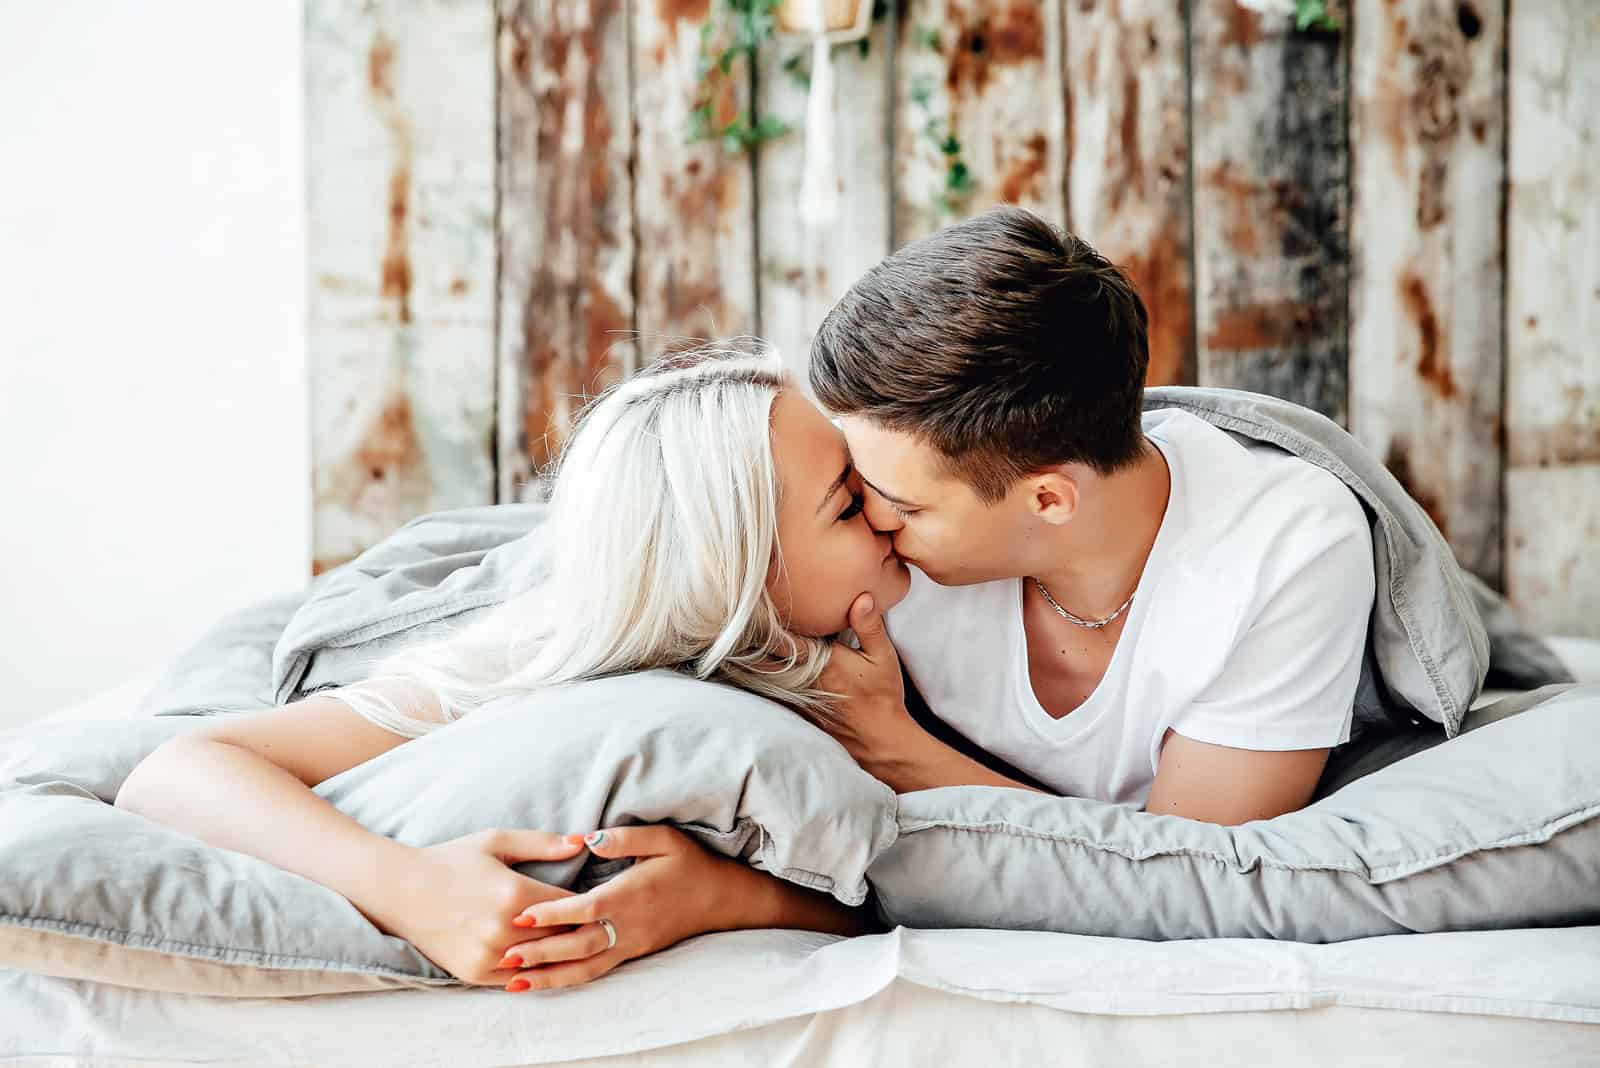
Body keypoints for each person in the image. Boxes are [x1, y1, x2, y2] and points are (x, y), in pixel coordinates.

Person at [115, 343, 911, 995]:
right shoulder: (527, 666)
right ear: (737, 575)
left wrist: (723, 897)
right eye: (847, 504)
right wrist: (412, 890)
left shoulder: (899, 610)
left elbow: (923, 886)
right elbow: (174, 773)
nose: (887, 511)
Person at [804, 206, 1377, 827]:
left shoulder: (1287, 550)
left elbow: (1186, 875)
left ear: (1049, 499)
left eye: (907, 506)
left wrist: (897, 750)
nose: (874, 518)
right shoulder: (873, 537)